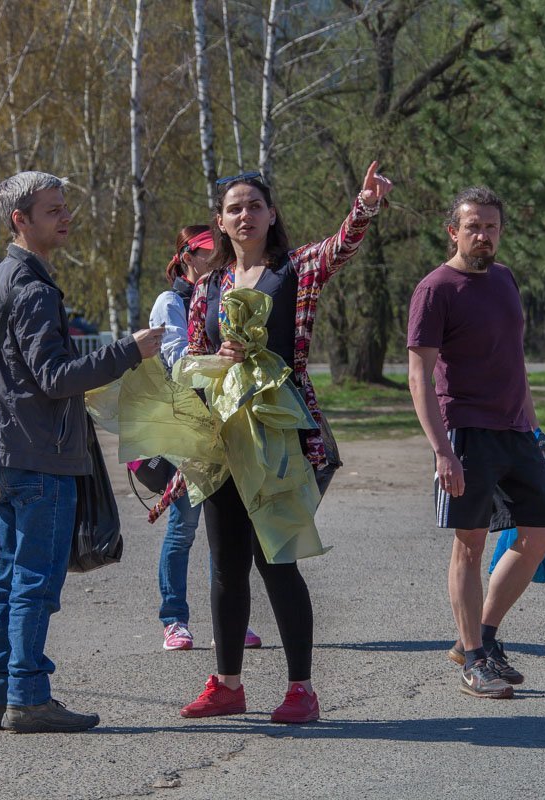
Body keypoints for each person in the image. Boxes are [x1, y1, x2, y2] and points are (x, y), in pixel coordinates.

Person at [177, 162, 393, 724]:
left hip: (283, 438)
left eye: (254, 205)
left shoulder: (295, 268)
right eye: (234, 208)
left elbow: (340, 247)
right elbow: (192, 363)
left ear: (271, 215)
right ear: (220, 223)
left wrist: (364, 205)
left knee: (275, 559)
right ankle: (227, 684)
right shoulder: (208, 287)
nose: (244, 215)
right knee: (225, 564)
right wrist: (214, 362)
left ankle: (302, 690)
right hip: (224, 436)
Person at [0, 171, 163, 734]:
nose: (65, 217)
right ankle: (28, 698)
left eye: (64, 207)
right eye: (53, 210)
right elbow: (55, 377)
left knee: (7, 578)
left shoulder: (0, 279)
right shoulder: (31, 287)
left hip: (15, 449)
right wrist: (128, 350)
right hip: (41, 454)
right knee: (33, 580)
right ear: (21, 220)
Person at [406, 186, 545, 700]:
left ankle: (484, 637)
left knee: (539, 536)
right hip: (465, 431)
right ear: (453, 231)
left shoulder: (506, 279)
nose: (483, 235)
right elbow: (418, 377)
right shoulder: (436, 288)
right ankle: (473, 661)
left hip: (516, 431)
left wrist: (534, 429)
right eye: (473, 226)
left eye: (491, 226)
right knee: (470, 544)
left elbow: (517, 364)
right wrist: (442, 451)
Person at [149, 225, 260, 652]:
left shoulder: (224, 296)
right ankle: (174, 619)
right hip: (187, 424)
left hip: (226, 420)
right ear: (186, 257)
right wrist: (224, 357)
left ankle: (228, 620)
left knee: (227, 527)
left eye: (221, 255)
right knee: (184, 527)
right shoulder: (170, 301)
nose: (216, 263)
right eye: (207, 255)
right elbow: (177, 361)